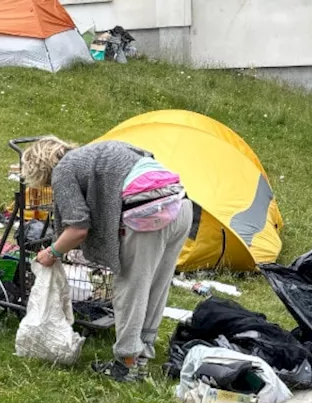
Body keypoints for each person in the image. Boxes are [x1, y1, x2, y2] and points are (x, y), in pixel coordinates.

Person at [22, 136, 194, 383]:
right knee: (156, 285)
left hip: (149, 213)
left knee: (131, 287)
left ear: (41, 168)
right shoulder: (98, 152)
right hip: (181, 205)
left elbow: (78, 228)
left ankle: (127, 364)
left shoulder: (64, 170)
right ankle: (142, 355)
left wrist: (51, 254)